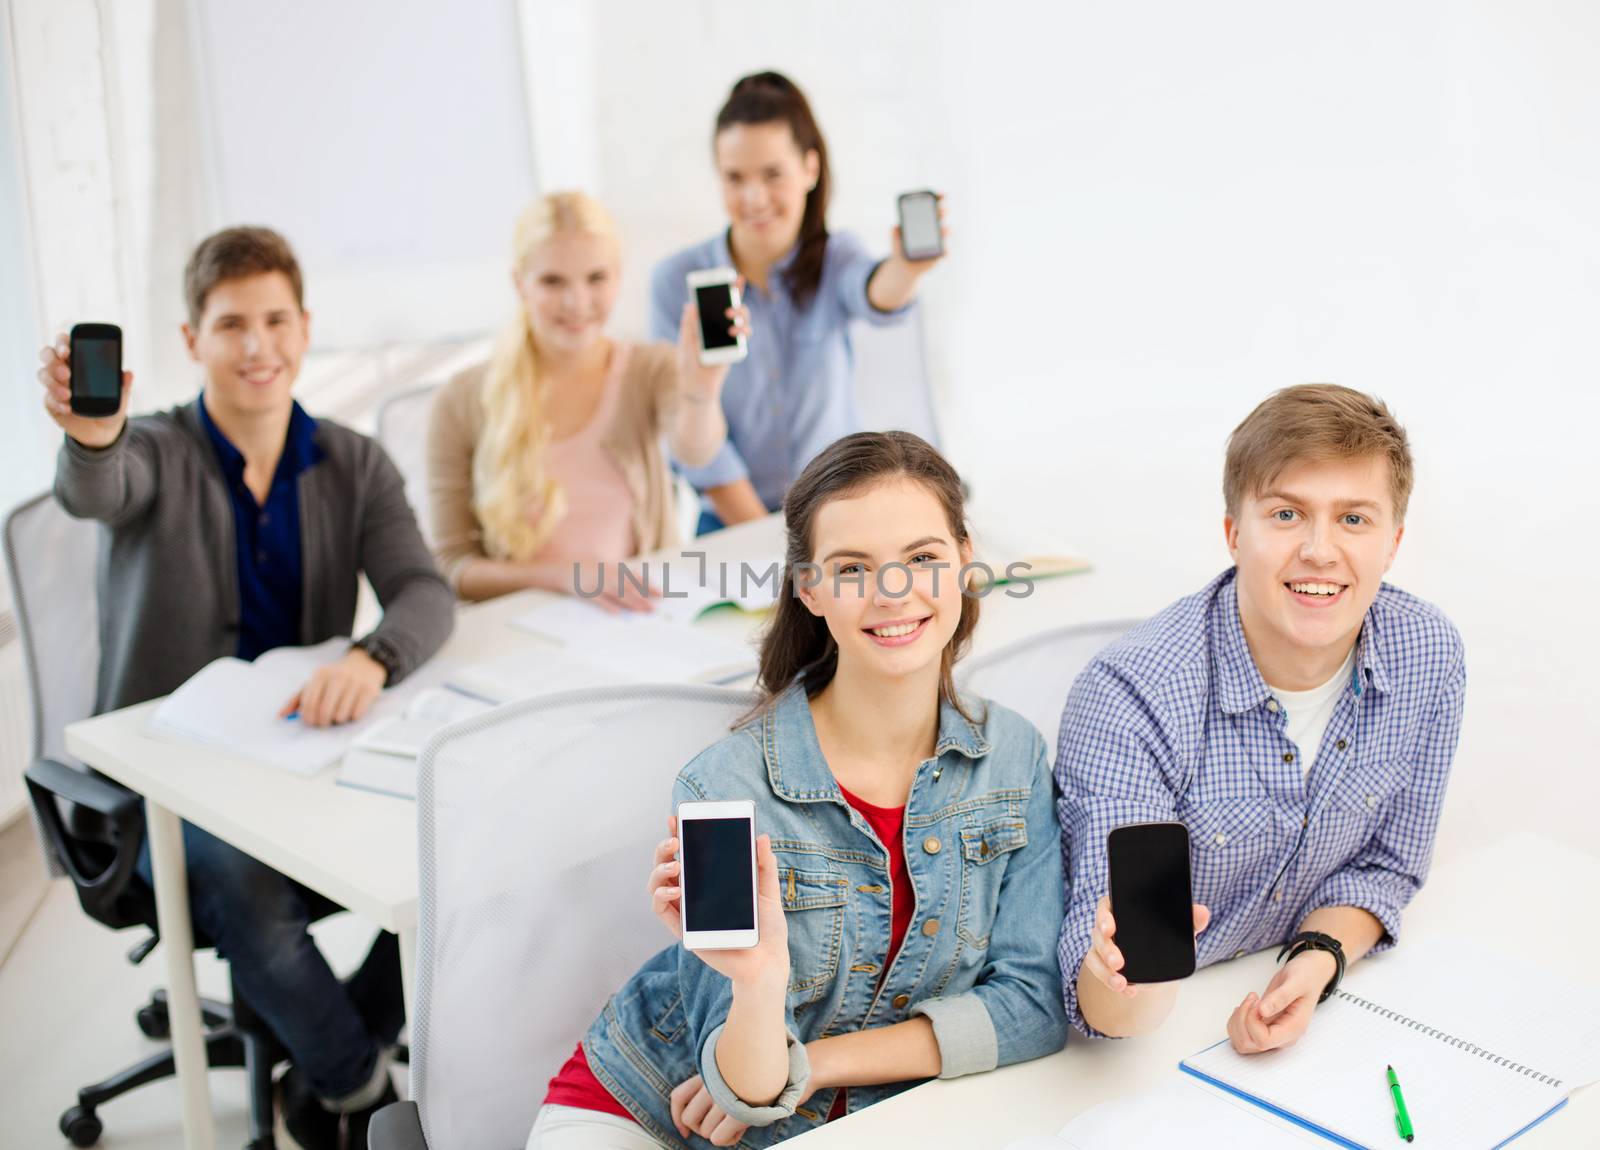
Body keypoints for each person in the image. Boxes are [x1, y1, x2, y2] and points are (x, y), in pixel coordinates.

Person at [524, 431, 1068, 1149]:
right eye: (852, 568)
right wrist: (758, 981)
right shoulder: (726, 786)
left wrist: (815, 1064)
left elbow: (1031, 1005)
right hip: (649, 1107)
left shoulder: (1013, 757)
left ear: (965, 562)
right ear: (808, 588)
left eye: (922, 558)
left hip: (843, 1113)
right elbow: (744, 1096)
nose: (892, 592)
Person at [37, 226, 455, 1149]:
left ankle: (337, 1043)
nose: (257, 345)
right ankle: (355, 1091)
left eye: (275, 320)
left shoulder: (351, 461)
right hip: (160, 791)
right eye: (231, 324)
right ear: (191, 341)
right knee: (247, 890)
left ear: (305, 329)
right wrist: (92, 437)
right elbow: (96, 490)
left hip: (301, 764)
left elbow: (426, 591)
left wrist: (369, 658)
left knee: (454, 839)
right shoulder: (155, 452)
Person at [1056, 384, 1466, 1054]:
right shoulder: (1131, 694)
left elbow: (1384, 868)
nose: (1320, 551)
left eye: (1354, 520)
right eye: (1286, 514)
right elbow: (1107, 999)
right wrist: (1124, 973)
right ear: (1233, 533)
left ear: (1392, 544)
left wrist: (1316, 962)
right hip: (1151, 1038)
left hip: (1314, 1027)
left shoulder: (1428, 654)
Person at [651, 71, 949, 532]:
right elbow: (694, 448)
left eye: (773, 174)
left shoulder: (835, 258)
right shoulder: (676, 282)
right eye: (735, 178)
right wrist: (779, 546)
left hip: (841, 512)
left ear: (810, 169)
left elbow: (876, 292)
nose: (754, 198)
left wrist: (908, 266)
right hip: (734, 521)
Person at [429, 192, 743, 608]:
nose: (577, 302)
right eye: (552, 281)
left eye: (596, 279)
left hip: (637, 615)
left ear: (618, 277)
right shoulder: (461, 398)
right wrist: (568, 577)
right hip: (524, 629)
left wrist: (701, 389)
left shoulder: (650, 368)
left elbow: (697, 453)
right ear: (519, 283)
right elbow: (454, 567)